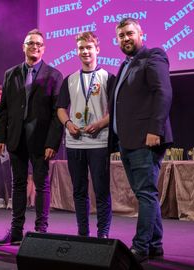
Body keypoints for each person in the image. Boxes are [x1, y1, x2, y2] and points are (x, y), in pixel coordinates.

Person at [109, 18, 173, 262]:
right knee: (145, 193)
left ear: (140, 34)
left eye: (129, 33)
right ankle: (155, 244)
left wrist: (155, 129)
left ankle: (141, 247)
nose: (125, 38)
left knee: (145, 193)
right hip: (127, 141)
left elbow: (163, 92)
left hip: (147, 140)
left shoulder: (153, 56)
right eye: (121, 35)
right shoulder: (125, 64)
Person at [0, 29, 63, 245]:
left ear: (44, 48)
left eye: (39, 44)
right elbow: (3, 109)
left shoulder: (54, 75)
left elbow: (56, 114)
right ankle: (15, 231)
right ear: (23, 47)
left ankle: (40, 232)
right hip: (15, 139)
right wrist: (0, 137)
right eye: (31, 43)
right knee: (18, 185)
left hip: (42, 142)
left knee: (42, 185)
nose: (35, 47)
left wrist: (53, 142)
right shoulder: (10, 74)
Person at [57, 32, 114, 238]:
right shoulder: (70, 79)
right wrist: (68, 123)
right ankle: (82, 233)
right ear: (77, 51)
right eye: (81, 48)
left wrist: (100, 123)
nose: (85, 51)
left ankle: (103, 234)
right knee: (79, 191)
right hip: (75, 143)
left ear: (97, 49)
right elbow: (61, 108)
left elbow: (116, 110)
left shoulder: (108, 77)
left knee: (101, 191)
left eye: (89, 47)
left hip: (99, 142)